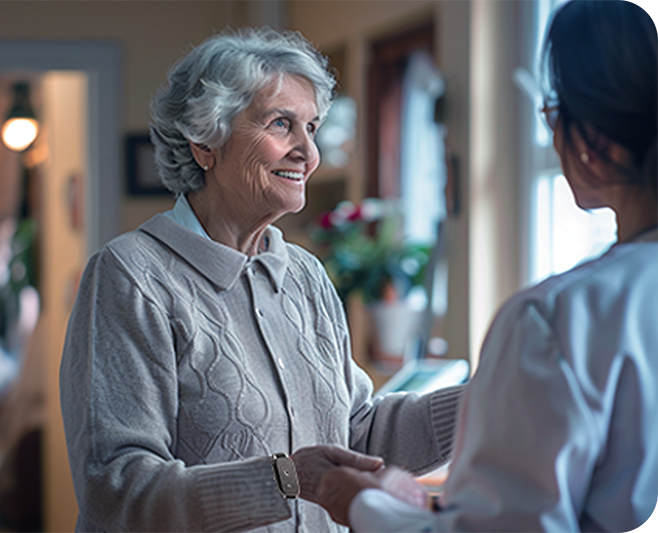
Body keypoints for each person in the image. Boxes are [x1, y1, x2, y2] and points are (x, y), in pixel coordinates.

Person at [59, 27, 464, 533]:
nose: (307, 153)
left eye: (312, 127)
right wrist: (286, 480)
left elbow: (355, 436)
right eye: (281, 124)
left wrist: (482, 402)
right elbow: (114, 490)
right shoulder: (131, 277)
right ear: (205, 142)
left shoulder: (305, 275)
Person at [302, 0, 658, 531]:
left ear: (597, 142)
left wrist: (366, 505)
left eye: (554, 110)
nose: (304, 154)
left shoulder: (558, 321)